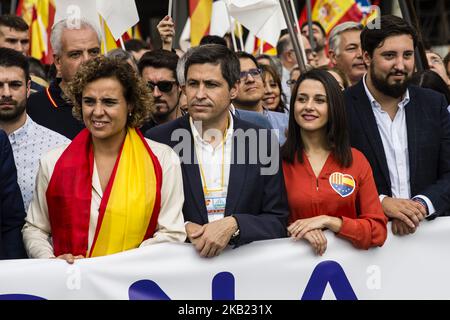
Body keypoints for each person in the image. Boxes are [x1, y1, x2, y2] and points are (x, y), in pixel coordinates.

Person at [23, 56, 186, 262]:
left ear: (131, 105)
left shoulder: (162, 160)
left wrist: (110, 266)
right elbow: (35, 228)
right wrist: (51, 261)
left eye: (109, 102)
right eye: (89, 101)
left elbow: (172, 234)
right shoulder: (53, 161)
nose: (97, 112)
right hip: (69, 287)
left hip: (132, 287)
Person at [147, 44, 288, 258]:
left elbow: (277, 220)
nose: (200, 94)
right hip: (180, 275)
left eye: (211, 85)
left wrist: (235, 224)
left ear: (233, 89)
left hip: (245, 274)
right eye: (193, 84)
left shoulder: (263, 141)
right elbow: (144, 215)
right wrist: (180, 227)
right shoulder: (159, 142)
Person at [345, 15, 450, 235]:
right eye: (389, 55)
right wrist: (380, 203)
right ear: (366, 57)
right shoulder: (341, 108)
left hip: (430, 242)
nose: (400, 65)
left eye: (408, 55)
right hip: (366, 249)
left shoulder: (434, 104)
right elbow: (332, 177)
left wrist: (421, 205)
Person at [282, 69, 387, 254]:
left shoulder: (356, 160)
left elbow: (377, 231)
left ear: (334, 107)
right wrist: (298, 229)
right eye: (302, 99)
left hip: (348, 274)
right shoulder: (276, 161)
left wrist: (331, 221)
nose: (308, 106)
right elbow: (267, 221)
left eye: (320, 100)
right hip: (292, 273)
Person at [0, 48, 69, 210]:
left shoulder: (59, 148)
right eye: (0, 85)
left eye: (15, 85)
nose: (6, 93)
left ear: (28, 87)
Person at [26, 19, 101, 139]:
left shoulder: (118, 106)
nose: (87, 60)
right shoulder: (31, 109)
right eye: (76, 54)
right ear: (58, 62)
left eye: (94, 52)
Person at [233, 51, 289, 144]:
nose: (250, 79)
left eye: (254, 72)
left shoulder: (286, 122)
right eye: (240, 75)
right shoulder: (225, 128)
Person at [139, 49, 183, 132]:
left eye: (165, 86)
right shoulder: (133, 132)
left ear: (180, 85)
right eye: (148, 86)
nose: (156, 94)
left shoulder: (197, 126)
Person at [328, 22, 366, 86]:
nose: (361, 54)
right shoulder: (324, 92)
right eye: (352, 48)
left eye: (365, 47)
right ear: (334, 57)